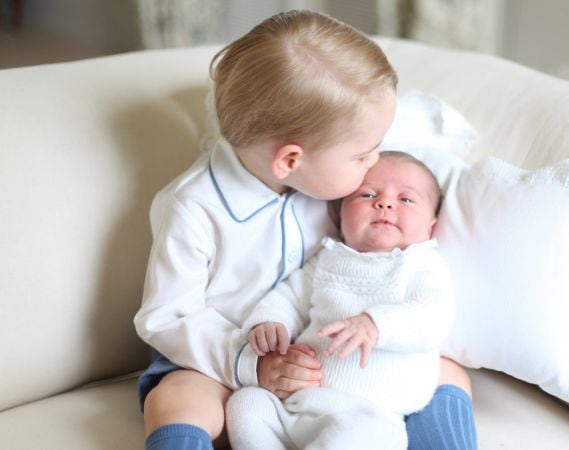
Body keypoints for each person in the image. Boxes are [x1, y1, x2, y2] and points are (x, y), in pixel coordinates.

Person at [134, 9, 477, 450]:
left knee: (447, 374)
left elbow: (391, 141)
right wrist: (251, 366)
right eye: (363, 155)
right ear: (291, 160)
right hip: (218, 364)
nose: (374, 163)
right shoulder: (193, 207)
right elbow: (166, 316)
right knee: (177, 400)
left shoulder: (331, 176)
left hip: (331, 363)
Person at [226, 151, 453, 450]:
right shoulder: (327, 259)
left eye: (406, 199)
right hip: (297, 405)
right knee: (247, 403)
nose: (384, 204)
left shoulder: (422, 264)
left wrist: (376, 324)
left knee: (360, 437)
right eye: (367, 194)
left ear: (431, 228)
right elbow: (289, 296)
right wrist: (270, 322)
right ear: (340, 214)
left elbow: (433, 317)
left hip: (370, 416)